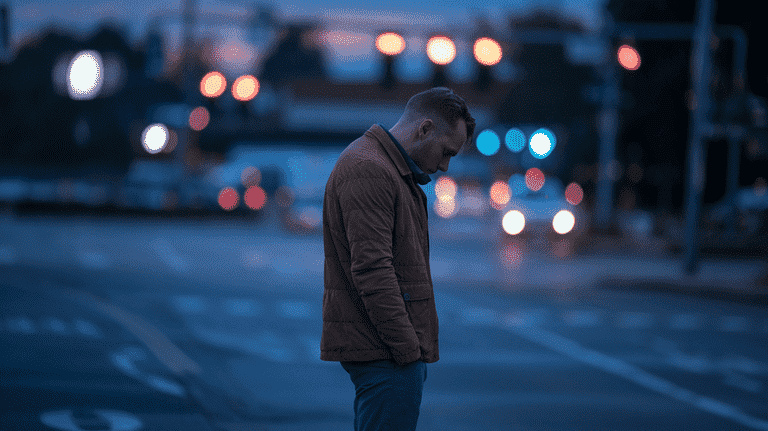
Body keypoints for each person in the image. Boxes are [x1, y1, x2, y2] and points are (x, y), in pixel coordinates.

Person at [321, 87, 476, 431]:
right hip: (385, 352)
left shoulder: (383, 168)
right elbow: (373, 270)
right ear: (424, 130)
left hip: (384, 349)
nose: (445, 166)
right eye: (446, 152)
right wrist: (408, 353)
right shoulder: (370, 170)